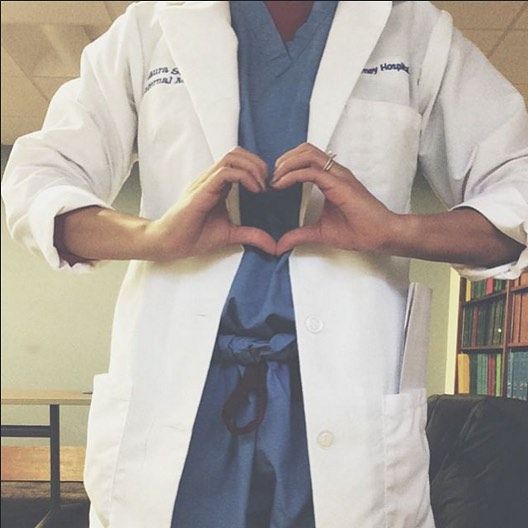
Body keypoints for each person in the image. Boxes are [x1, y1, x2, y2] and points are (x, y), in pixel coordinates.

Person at [2, 1, 527, 527]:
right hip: (179, 406)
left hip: (350, 411)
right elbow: (36, 181)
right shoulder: (150, 27)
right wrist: (153, 238)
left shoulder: (414, 32)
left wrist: (396, 229)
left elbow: (517, 194)